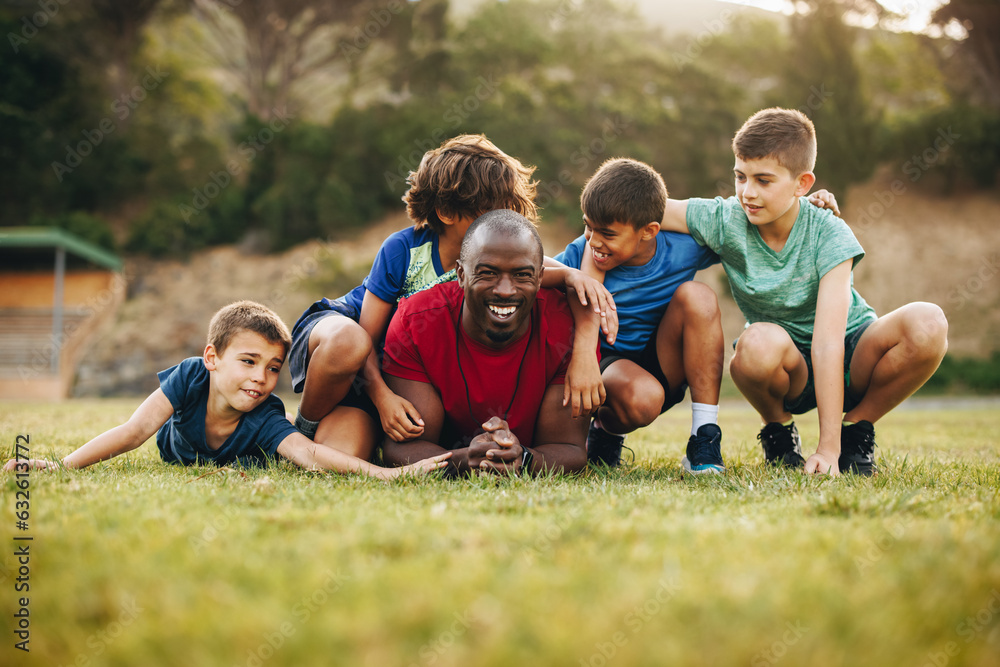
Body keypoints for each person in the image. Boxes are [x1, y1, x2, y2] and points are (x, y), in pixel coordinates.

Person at [658, 107, 949, 475]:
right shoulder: (726, 219)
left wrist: (828, 450)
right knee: (754, 345)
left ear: (802, 184)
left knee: (929, 323)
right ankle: (778, 430)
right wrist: (599, 224)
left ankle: (856, 431)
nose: (747, 192)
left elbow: (829, 343)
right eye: (740, 176)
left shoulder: (828, 232)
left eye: (764, 180)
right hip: (786, 366)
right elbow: (650, 208)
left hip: (850, 350)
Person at [290, 134, 613, 463]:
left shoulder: (502, 260)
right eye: (490, 210)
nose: (500, 223)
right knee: (351, 342)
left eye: (508, 210)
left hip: (392, 361)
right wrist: (383, 398)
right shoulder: (403, 250)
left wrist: (577, 290)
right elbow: (368, 337)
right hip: (347, 337)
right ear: (446, 211)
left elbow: (564, 284)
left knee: (344, 456)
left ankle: (337, 431)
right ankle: (298, 431)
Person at [4, 301, 450, 479]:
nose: (261, 377)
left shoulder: (264, 414)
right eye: (249, 362)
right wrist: (59, 465)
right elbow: (133, 431)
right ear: (212, 358)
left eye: (274, 367)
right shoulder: (190, 377)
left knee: (299, 446)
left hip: (268, 445)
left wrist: (387, 474)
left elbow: (311, 456)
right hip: (174, 448)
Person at [380, 210, 588, 476]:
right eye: (488, 273)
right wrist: (466, 460)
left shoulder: (566, 326)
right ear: (460, 274)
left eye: (522, 275)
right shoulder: (416, 321)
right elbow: (401, 449)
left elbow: (569, 448)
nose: (505, 290)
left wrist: (523, 458)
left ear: (540, 278)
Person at [553, 158, 726, 473]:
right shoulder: (583, 251)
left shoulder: (686, 245)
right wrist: (570, 275)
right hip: (607, 368)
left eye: (607, 233)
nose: (594, 241)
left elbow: (745, 232)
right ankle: (605, 433)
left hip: (664, 361)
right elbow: (529, 268)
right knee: (643, 398)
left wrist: (804, 207)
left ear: (649, 231)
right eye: (588, 227)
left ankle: (704, 437)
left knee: (698, 296)